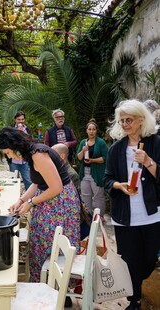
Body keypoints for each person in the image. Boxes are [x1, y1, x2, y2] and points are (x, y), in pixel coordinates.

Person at [0, 127, 80, 284]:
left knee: (48, 242)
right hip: (52, 199)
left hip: (60, 202)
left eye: (8, 152)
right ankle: (46, 282)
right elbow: (37, 182)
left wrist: (30, 202)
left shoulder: (38, 154)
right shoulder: (31, 152)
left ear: (15, 146)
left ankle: (55, 286)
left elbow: (56, 187)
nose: (9, 156)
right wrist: (21, 200)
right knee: (39, 238)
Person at [103, 99, 160, 310]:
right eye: (122, 120)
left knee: (148, 259)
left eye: (129, 120)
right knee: (129, 260)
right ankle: (133, 300)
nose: (125, 124)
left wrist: (148, 162)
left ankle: (140, 277)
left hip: (151, 214)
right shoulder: (116, 149)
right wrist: (119, 185)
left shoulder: (155, 143)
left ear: (141, 120)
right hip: (124, 216)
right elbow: (107, 179)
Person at [76, 119, 108, 217]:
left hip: (97, 173)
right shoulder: (83, 142)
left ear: (96, 131)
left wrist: (93, 160)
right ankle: (88, 217)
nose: (91, 131)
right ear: (86, 131)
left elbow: (105, 158)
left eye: (93, 129)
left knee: (98, 196)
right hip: (84, 172)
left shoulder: (101, 142)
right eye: (89, 129)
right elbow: (78, 157)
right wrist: (83, 150)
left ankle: (100, 217)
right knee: (85, 196)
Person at [7, 111, 32, 190]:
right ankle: (14, 198)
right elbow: (9, 142)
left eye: (22, 119)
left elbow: (30, 142)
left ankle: (30, 199)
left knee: (27, 179)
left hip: (24, 160)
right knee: (14, 180)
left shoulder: (27, 129)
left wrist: (23, 133)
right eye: (19, 119)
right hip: (14, 160)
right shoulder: (11, 130)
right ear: (15, 120)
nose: (21, 121)